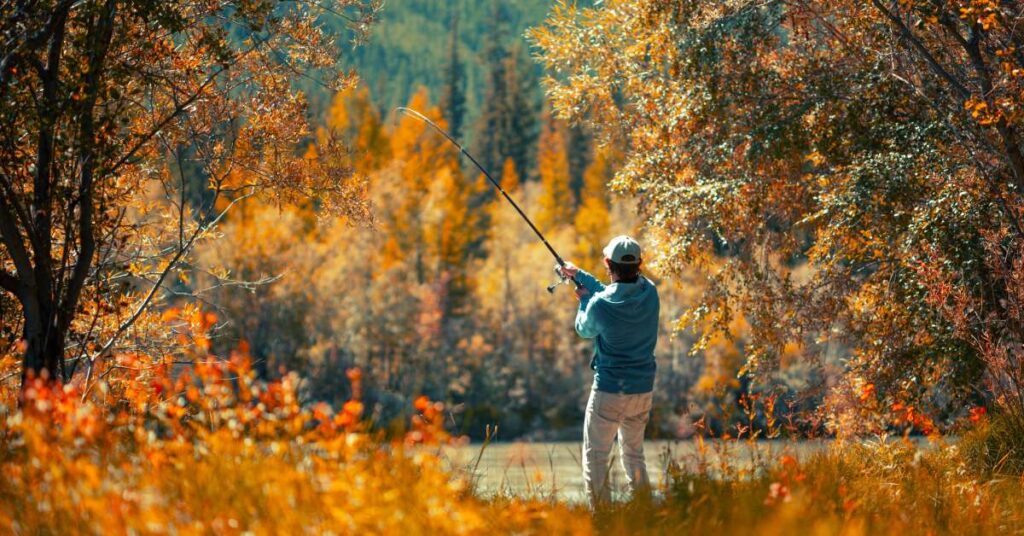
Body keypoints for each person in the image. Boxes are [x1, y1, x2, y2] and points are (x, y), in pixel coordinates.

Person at [558, 235, 660, 508]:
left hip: (609, 391)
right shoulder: (650, 291)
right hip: (642, 389)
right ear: (639, 263)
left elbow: (584, 328)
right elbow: (613, 292)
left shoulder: (599, 305)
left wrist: (583, 299)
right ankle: (644, 513)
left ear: (607, 263)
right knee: (634, 455)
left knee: (596, 457)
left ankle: (602, 519)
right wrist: (579, 275)